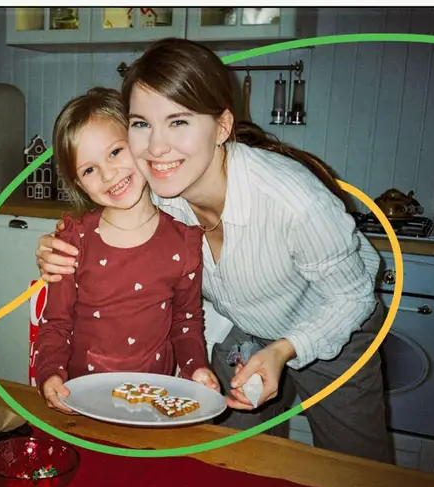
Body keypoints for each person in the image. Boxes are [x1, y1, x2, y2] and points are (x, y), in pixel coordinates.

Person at [35, 38, 393, 464]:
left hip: (334, 326)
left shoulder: (294, 201)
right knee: (226, 462)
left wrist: (284, 349)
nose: (156, 147)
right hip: (252, 327)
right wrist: (55, 244)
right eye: (142, 124)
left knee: (356, 477)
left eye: (179, 122)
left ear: (222, 126)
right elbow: (105, 207)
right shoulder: (155, 187)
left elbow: (351, 296)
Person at [33, 87, 221, 414]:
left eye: (116, 152)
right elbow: (56, 323)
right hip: (81, 400)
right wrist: (49, 374)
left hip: (151, 402)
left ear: (138, 142)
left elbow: (186, 322)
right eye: (89, 170)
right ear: (79, 184)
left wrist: (196, 369)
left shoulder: (185, 242)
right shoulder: (73, 240)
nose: (108, 174)